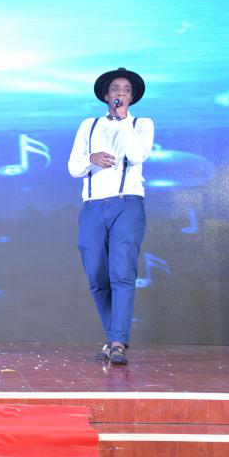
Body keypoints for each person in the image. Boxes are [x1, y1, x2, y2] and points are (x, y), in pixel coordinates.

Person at [67, 68, 154, 365]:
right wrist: (90, 159)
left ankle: (118, 343)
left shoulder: (141, 124)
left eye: (126, 90)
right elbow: (73, 168)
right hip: (92, 206)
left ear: (132, 97)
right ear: (106, 95)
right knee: (96, 276)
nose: (121, 93)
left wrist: (122, 119)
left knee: (122, 273)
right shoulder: (89, 125)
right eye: (116, 89)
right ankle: (113, 337)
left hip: (127, 203)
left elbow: (137, 156)